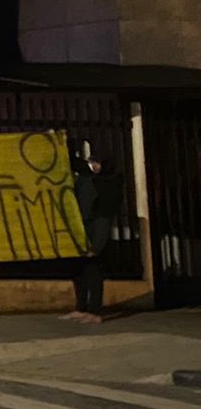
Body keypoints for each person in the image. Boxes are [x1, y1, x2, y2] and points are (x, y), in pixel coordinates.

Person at [63, 137, 121, 324]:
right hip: (80, 230)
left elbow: (104, 218)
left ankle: (94, 311)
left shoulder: (108, 185)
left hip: (93, 232)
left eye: (97, 163)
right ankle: (81, 308)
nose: (93, 166)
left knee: (94, 272)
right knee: (78, 272)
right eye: (92, 162)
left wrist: (97, 245)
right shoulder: (87, 178)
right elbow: (75, 163)